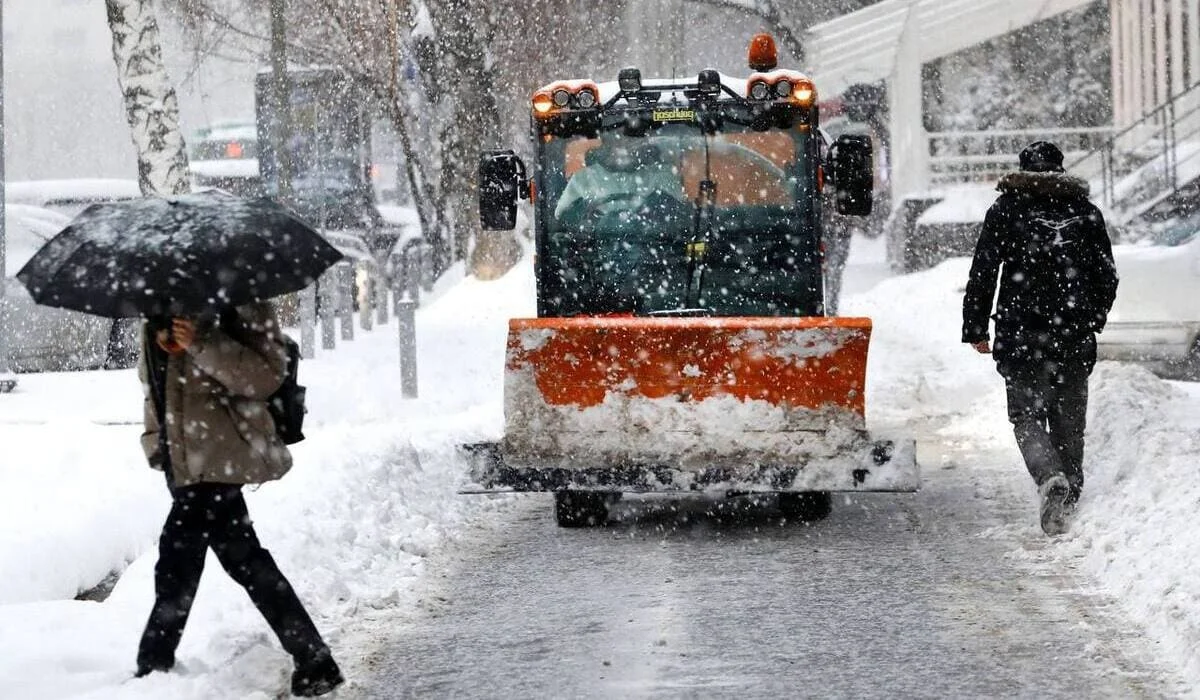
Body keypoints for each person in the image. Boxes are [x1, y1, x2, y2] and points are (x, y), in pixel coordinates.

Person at [135, 304, 344, 697]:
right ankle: (314, 658)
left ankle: (153, 665)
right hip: (183, 464)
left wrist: (201, 343)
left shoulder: (238, 299)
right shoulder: (157, 305)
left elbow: (265, 376)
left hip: (220, 456)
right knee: (243, 560)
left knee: (178, 561)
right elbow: (154, 390)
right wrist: (155, 443)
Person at [962, 141, 1119, 536]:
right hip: (1072, 334)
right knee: (1068, 419)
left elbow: (984, 271)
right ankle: (1069, 492)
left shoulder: (1005, 210)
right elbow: (1106, 275)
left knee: (1026, 416)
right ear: (1060, 170)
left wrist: (975, 328)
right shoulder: (1084, 212)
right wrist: (1092, 317)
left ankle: (1050, 477)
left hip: (1021, 334)